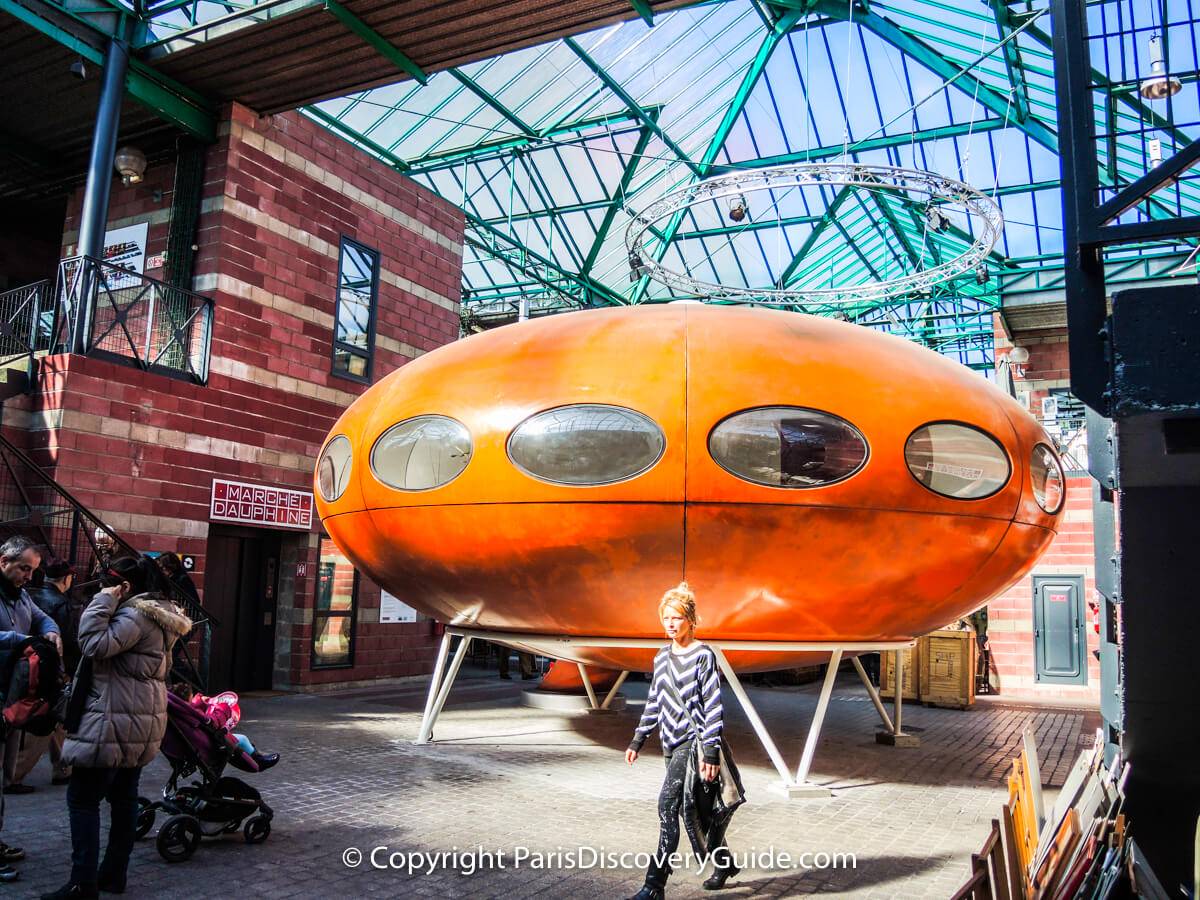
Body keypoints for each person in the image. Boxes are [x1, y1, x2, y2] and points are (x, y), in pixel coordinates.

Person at [43, 555, 192, 900]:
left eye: (106, 582)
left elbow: (93, 643)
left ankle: (83, 882)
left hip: (113, 719)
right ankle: (113, 874)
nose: (99, 587)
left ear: (125, 585)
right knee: (123, 800)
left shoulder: (135, 614)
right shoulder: (158, 613)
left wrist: (106, 598)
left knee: (83, 800)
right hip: (138, 719)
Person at [625, 582, 742, 898]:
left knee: (668, 805)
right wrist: (638, 739)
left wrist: (711, 752)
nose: (671, 624)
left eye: (677, 617)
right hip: (670, 744)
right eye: (667, 619)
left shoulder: (704, 655)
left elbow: (714, 705)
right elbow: (654, 701)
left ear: (691, 618)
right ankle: (724, 864)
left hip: (694, 743)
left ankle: (654, 885)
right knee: (696, 812)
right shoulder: (661, 657)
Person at [0, 536, 61, 883]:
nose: (28, 575)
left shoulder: (21, 595)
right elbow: (12, 635)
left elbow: (42, 618)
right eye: (24, 568)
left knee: (5, 777)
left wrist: (50, 633)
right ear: (3, 561)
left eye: (33, 570)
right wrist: (21, 640)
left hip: (12, 695)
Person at [10, 559, 77, 791]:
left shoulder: (30, 595)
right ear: (66, 579)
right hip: (51, 667)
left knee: (59, 720)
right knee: (45, 718)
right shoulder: (61, 604)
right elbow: (69, 641)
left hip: (28, 662)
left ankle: (63, 767)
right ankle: (14, 774)